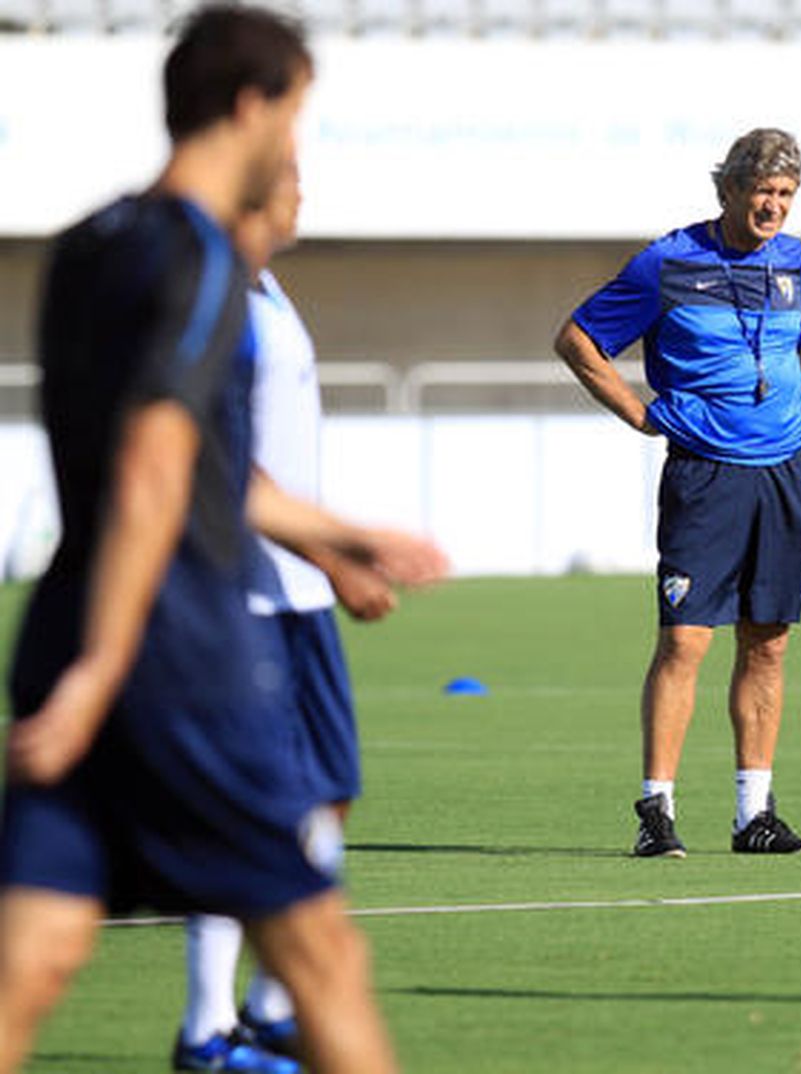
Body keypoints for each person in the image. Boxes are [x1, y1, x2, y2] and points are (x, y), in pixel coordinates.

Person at [0, 8, 427, 1072]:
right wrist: (109, 671)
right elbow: (153, 472)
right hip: (177, 655)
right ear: (251, 105)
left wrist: (336, 532)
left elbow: (195, 472)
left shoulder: (88, 245)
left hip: (60, 632)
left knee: (33, 956)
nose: (296, 143)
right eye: (295, 114)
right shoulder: (199, 260)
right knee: (323, 960)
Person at [172, 157, 445, 1073]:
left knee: (328, 790)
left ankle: (268, 1006)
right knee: (241, 805)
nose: (302, 194)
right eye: (289, 181)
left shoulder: (270, 289)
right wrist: (337, 554)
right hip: (241, 593)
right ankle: (206, 1028)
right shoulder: (218, 305)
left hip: (296, 595)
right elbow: (228, 471)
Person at [554, 128, 801, 858]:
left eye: (786, 195)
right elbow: (579, 339)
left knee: (768, 645)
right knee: (685, 640)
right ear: (729, 191)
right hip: (705, 475)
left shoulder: (792, 258)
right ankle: (657, 812)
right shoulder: (667, 262)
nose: (774, 208)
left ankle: (754, 816)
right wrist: (640, 414)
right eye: (762, 194)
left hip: (786, 472)